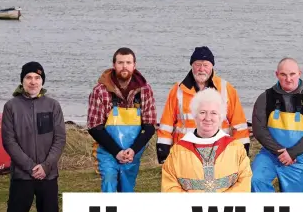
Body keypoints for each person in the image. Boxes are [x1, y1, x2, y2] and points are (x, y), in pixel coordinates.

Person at [156, 46, 249, 164]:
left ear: (212, 66)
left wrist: (242, 153)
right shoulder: (177, 90)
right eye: (197, 64)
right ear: (191, 65)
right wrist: (163, 152)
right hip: (185, 151)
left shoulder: (226, 89)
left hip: (219, 151)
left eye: (206, 65)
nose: (201, 69)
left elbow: (239, 125)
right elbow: (166, 124)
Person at [2, 62, 66, 212]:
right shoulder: (11, 106)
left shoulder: (53, 105)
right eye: (29, 77)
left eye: (37, 78)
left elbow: (59, 139)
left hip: (48, 175)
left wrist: (45, 166)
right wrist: (31, 167)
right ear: (22, 81)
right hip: (22, 176)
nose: (33, 81)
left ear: (42, 81)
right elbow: (9, 141)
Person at [86, 48, 157, 192]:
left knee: (127, 188)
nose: (124, 66)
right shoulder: (100, 91)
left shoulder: (145, 90)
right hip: (107, 150)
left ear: (134, 65)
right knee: (109, 179)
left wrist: (133, 150)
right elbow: (94, 126)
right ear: (114, 65)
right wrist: (116, 151)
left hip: (133, 151)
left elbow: (149, 126)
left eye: (128, 62)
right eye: (120, 62)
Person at [250, 57, 303, 192]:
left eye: (292, 74)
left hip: (298, 158)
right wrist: (280, 152)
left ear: (299, 74)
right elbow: (258, 129)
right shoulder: (265, 97)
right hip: (270, 154)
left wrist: (292, 153)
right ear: (277, 75)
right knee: (255, 179)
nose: (288, 79)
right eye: (283, 74)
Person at [161, 88, 252, 192]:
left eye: (213, 113)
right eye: (202, 112)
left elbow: (244, 181)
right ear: (195, 115)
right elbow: (169, 186)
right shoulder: (178, 151)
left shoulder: (236, 148)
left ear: (220, 117)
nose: (208, 118)